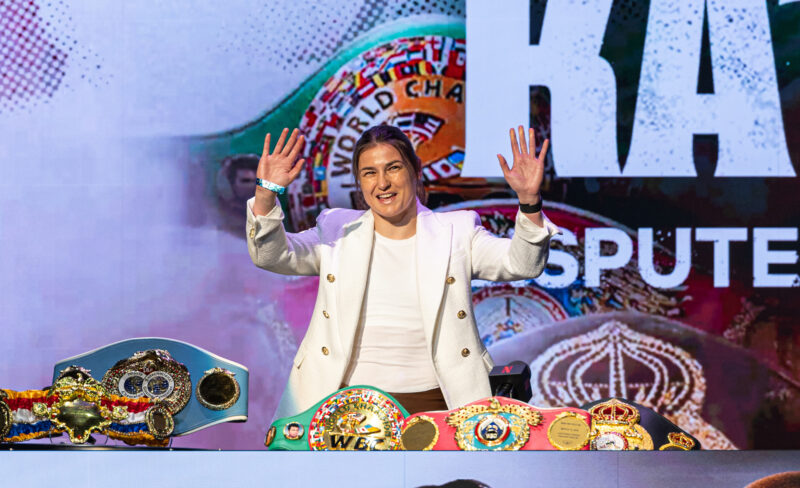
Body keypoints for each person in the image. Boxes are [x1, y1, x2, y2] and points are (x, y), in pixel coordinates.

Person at [247, 125, 559, 419]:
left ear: (416, 170)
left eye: (393, 168)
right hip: (344, 404)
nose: (382, 183)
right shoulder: (337, 229)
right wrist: (266, 193)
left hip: (436, 404)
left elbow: (522, 264)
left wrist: (529, 201)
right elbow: (272, 255)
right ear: (359, 182)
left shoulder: (457, 232)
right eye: (369, 173)